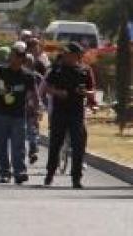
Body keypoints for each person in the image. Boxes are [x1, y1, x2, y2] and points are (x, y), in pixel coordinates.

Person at [44, 42, 94, 189]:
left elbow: (92, 91)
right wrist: (58, 92)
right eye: (65, 53)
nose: (65, 56)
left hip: (76, 113)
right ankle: (50, 174)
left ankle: (76, 178)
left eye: (69, 54)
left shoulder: (85, 70)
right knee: (55, 144)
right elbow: (47, 87)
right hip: (60, 112)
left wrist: (85, 93)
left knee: (78, 145)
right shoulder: (57, 69)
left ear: (76, 56)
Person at [0, 45, 37, 184]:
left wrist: (33, 108)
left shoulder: (28, 75)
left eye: (15, 55)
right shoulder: (1, 70)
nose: (11, 57)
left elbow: (31, 93)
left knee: (19, 145)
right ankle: (4, 173)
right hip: (1, 112)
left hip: (19, 114)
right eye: (11, 55)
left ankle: (20, 171)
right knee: (2, 145)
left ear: (22, 59)